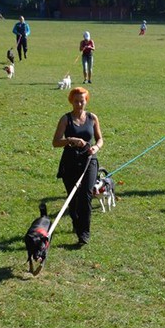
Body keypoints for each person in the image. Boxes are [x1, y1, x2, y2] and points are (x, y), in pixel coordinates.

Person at [52, 87, 104, 245]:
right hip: (70, 161)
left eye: (82, 101)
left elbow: (100, 139)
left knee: (86, 195)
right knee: (73, 198)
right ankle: (76, 223)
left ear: (86, 101)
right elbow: (55, 142)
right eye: (76, 101)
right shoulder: (65, 119)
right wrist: (70, 140)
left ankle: (84, 233)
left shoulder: (92, 117)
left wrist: (96, 147)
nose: (79, 104)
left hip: (89, 159)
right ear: (71, 101)